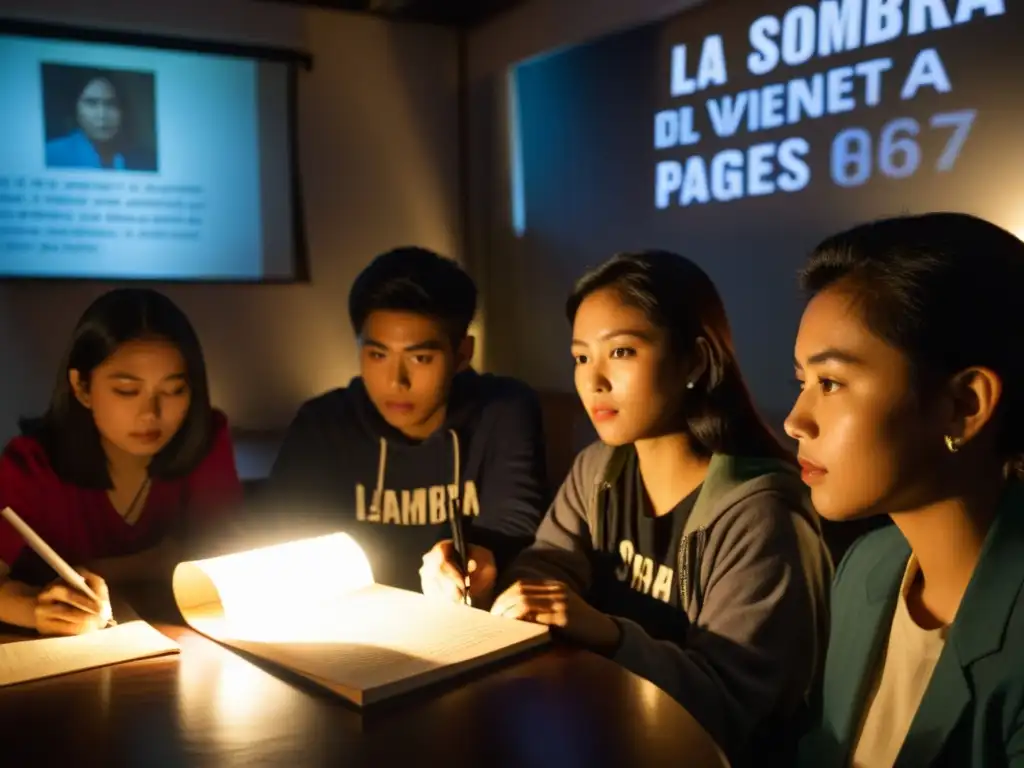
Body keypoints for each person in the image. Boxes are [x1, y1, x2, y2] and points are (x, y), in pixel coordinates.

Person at [490, 250, 833, 766]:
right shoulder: (598, 469)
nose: (594, 380)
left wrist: (607, 633)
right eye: (581, 357)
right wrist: (511, 582)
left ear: (694, 360)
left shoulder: (760, 514)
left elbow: (734, 707)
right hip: (602, 733)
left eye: (622, 352)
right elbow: (548, 563)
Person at [790, 213, 1024, 768]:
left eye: (831, 383)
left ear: (963, 406)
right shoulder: (867, 566)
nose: (797, 420)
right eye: (802, 383)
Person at [262, 246, 549, 595]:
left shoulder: (503, 409)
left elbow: (516, 526)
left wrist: (475, 561)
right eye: (378, 355)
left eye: (421, 358)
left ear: (462, 355)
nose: (397, 380)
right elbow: (282, 529)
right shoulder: (323, 423)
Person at [0, 288, 243, 636]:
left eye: (174, 390)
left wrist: (96, 568)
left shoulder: (206, 439)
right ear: (82, 387)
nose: (151, 414)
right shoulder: (32, 464)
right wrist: (33, 607)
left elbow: (222, 554)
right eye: (127, 391)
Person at [45, 69, 153, 172]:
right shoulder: (51, 154)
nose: (102, 115)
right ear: (75, 108)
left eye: (111, 104)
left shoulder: (142, 160)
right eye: (91, 103)